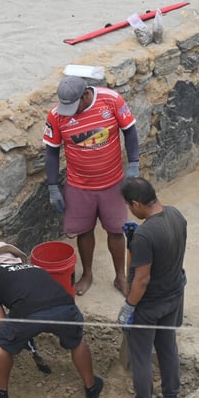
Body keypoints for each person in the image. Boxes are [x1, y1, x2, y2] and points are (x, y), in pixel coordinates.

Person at [44, 75, 140, 297]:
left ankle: (120, 276)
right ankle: (87, 275)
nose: (70, 113)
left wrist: (134, 163)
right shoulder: (56, 115)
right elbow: (51, 152)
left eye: (74, 106)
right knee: (84, 231)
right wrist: (52, 186)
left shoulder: (111, 100)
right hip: (79, 186)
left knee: (116, 231)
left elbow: (130, 130)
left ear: (86, 94)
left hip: (112, 183)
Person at [0, 241, 104, 398]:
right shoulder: (35, 268)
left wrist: (12, 337)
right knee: (77, 340)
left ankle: (1, 393)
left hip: (27, 312)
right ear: (15, 258)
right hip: (65, 306)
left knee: (3, 346)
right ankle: (91, 387)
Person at [116, 177, 187, 398]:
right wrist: (133, 245)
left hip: (150, 305)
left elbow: (142, 278)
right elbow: (167, 252)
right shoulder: (176, 215)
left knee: (141, 356)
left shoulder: (145, 235)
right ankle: (171, 396)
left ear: (136, 203)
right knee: (167, 346)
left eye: (129, 205)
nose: (129, 210)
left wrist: (129, 306)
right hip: (174, 296)